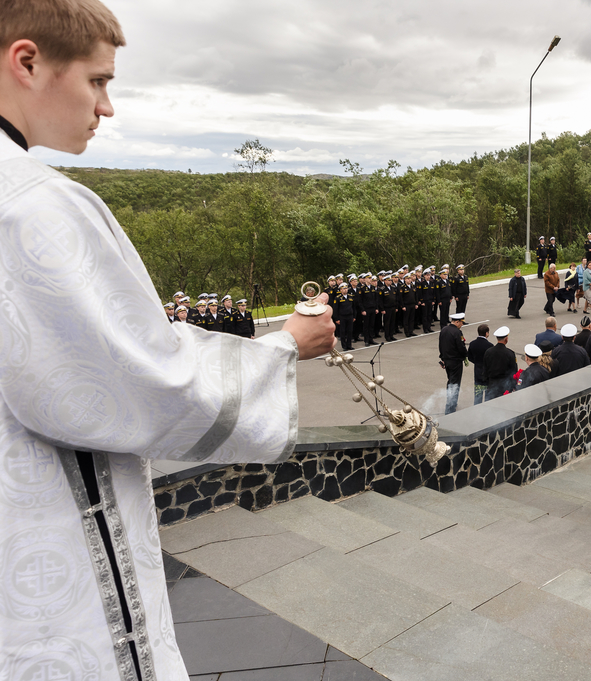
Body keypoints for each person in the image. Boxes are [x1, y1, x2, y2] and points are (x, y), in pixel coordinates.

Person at [0, 3, 338, 674]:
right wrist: (283, 346)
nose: (107, 107)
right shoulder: (32, 206)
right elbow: (134, 380)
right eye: (97, 81)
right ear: (28, 61)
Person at [438, 312, 468, 414]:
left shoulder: (444, 330)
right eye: (461, 323)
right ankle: (450, 406)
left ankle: (451, 402)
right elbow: (461, 347)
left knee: (450, 381)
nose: (462, 325)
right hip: (455, 361)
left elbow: (440, 345)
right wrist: (466, 355)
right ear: (456, 322)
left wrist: (442, 358)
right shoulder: (457, 332)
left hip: (446, 361)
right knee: (455, 384)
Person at [484, 326, 518, 398]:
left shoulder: (488, 352)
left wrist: (487, 383)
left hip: (492, 385)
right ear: (506, 338)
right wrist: (513, 386)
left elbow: (485, 369)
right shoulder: (510, 353)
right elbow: (513, 371)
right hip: (505, 386)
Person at [467, 323, 493, 405]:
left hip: (477, 373)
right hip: (487, 374)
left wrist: (477, 362)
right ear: (486, 333)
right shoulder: (489, 346)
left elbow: (469, 357)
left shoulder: (472, 344)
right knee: (488, 398)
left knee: (478, 397)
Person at [332, 281, 355, 350]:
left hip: (350, 316)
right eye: (344, 288)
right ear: (341, 290)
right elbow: (335, 309)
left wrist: (354, 316)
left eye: (346, 288)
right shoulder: (338, 298)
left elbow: (353, 307)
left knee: (349, 331)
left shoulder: (351, 297)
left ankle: (349, 345)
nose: (345, 290)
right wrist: (336, 319)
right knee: (343, 332)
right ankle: (344, 346)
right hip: (342, 317)